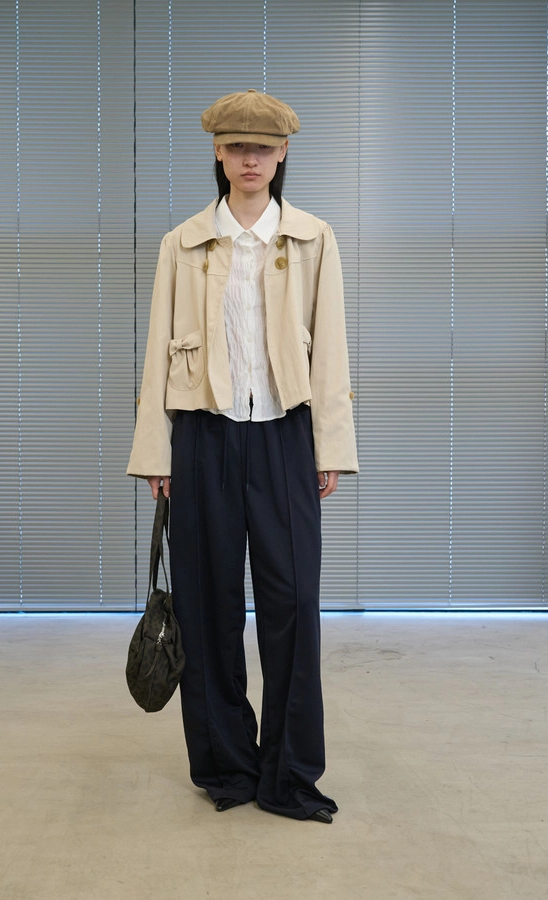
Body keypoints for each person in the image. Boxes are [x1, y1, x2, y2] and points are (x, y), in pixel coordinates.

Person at [127, 89, 358, 824]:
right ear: (218, 153)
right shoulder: (184, 243)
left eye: (263, 147)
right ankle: (227, 766)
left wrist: (328, 444)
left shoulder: (314, 239)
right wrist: (156, 449)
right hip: (203, 439)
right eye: (237, 146)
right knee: (208, 607)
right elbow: (157, 354)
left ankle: (289, 775)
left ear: (283, 153)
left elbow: (331, 352)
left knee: (292, 606)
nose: (250, 158)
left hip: (286, 436)